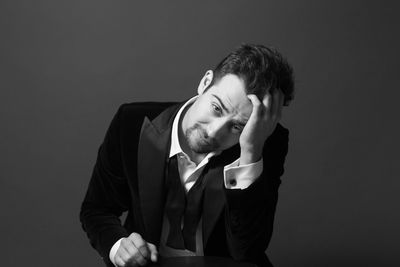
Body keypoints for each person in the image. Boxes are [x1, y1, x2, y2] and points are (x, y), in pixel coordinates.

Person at [80, 44, 295, 267]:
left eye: (237, 127)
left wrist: (250, 153)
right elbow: (97, 210)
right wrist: (118, 246)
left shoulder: (263, 144)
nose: (213, 132)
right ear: (205, 82)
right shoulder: (131, 123)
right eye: (216, 108)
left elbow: (246, 250)